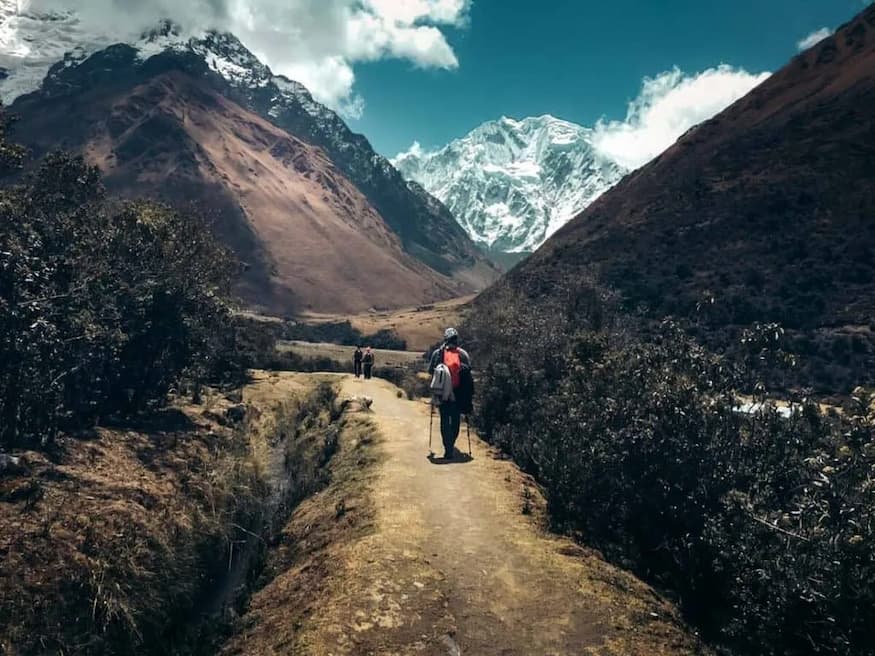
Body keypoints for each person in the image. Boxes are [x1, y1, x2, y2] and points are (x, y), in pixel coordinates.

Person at [428, 327, 471, 460]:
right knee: (455, 419)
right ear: (457, 339)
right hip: (458, 393)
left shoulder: (437, 353)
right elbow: (469, 372)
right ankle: (451, 443)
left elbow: (430, 371)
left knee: (444, 420)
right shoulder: (463, 354)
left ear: (445, 339)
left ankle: (448, 448)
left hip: (442, 393)